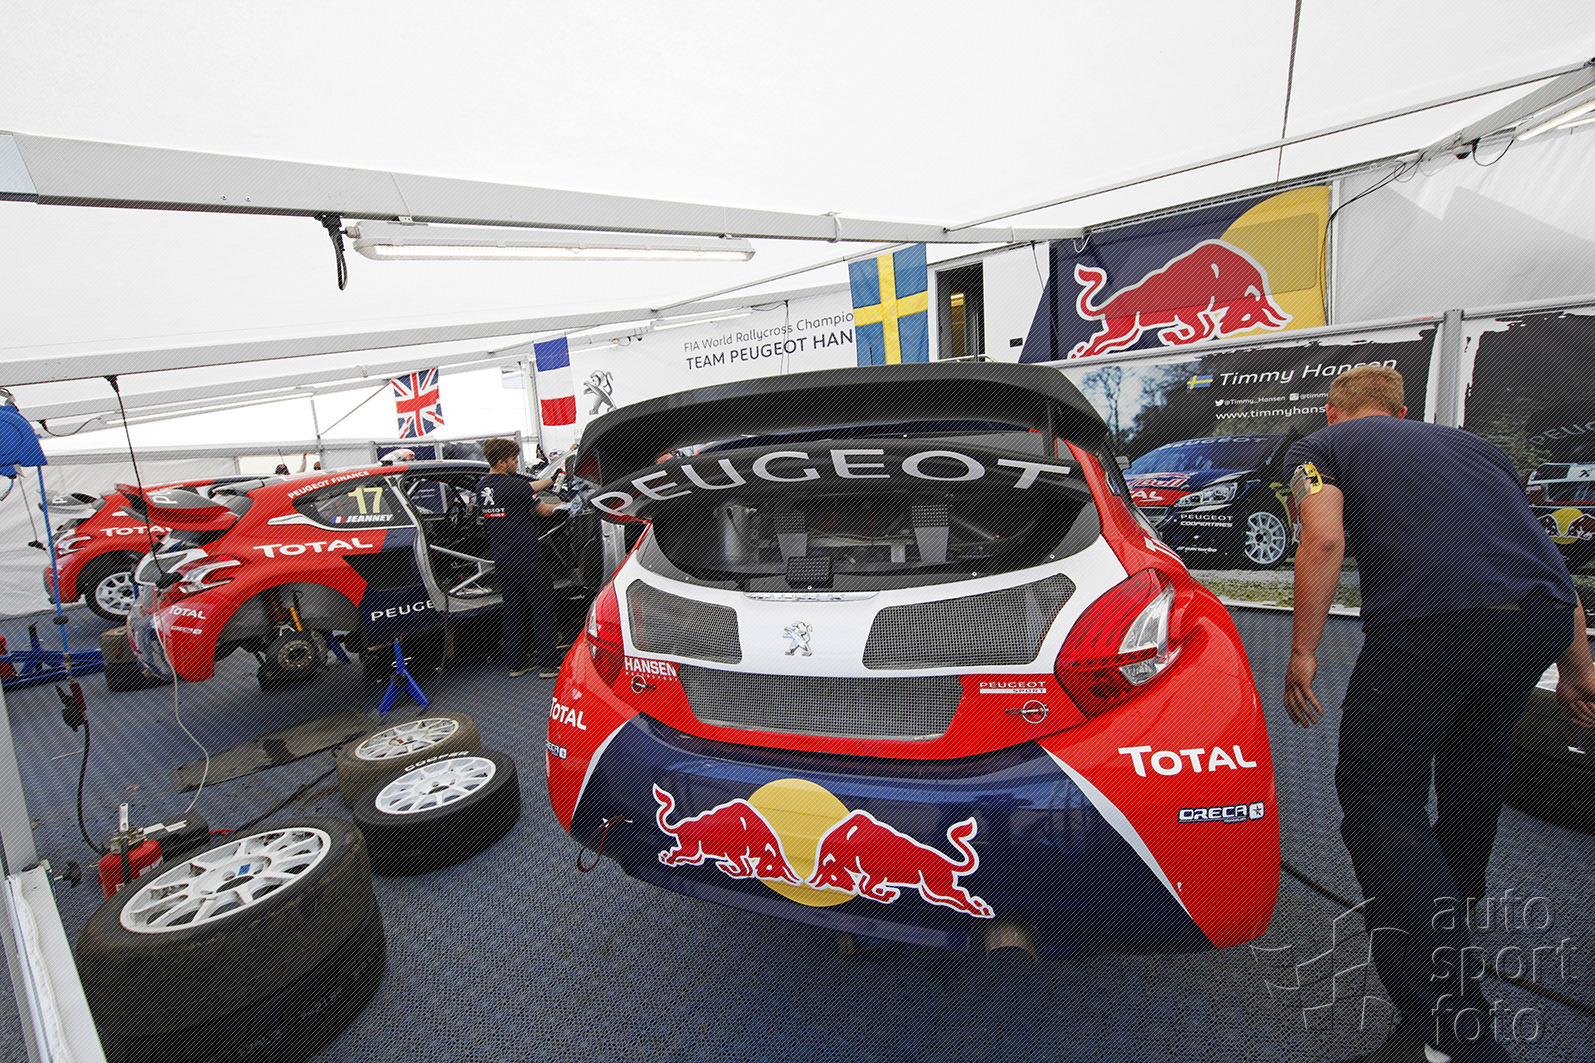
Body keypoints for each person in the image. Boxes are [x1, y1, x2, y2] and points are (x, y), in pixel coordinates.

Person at [1283, 365, 1595, 1063]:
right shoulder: (1479, 450)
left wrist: (1302, 651)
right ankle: (1451, 922)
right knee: (1474, 767)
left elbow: (1323, 539)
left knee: (1379, 794)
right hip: (1540, 619)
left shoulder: (1318, 448)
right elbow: (1541, 556)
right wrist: (1578, 667)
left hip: (1436, 622)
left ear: (1333, 410)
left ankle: (1449, 1033)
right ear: (1401, 412)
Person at [478, 437, 565, 678]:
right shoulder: (516, 486)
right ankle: (549, 664)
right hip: (529, 559)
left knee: (513, 611)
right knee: (542, 610)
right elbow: (544, 511)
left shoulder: (482, 486)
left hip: (503, 561)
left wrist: (552, 480)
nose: (516, 463)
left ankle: (517, 664)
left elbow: (526, 488)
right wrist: (568, 505)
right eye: (513, 460)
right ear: (501, 462)